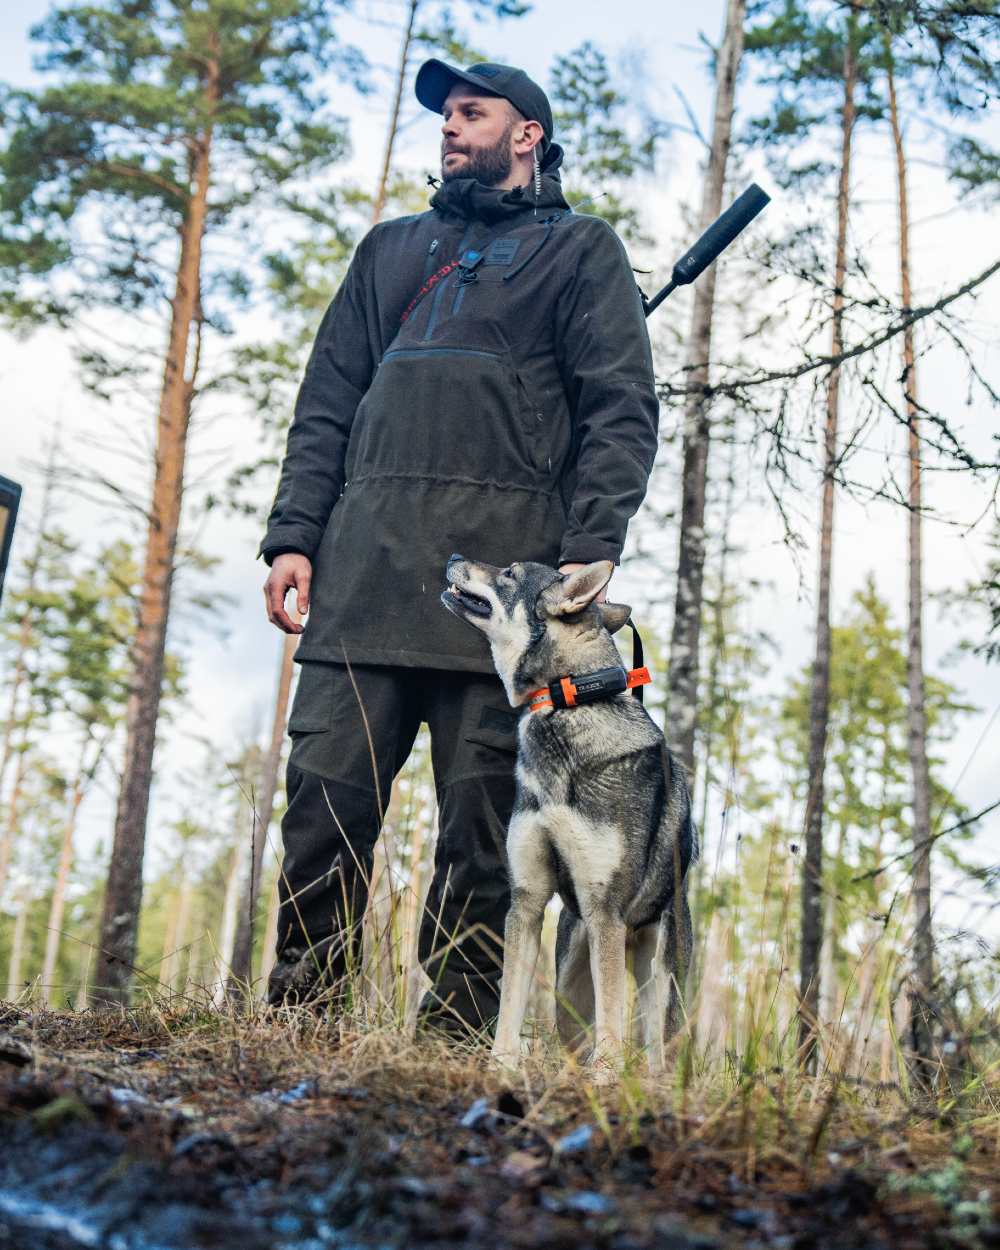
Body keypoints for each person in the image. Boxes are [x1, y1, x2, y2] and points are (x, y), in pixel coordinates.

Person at [260, 58, 659, 1035]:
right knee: (322, 808)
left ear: (526, 133)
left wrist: (590, 541)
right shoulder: (389, 252)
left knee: (482, 839)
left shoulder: (582, 254)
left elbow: (620, 410)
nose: (449, 126)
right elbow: (326, 407)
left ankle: (452, 1046)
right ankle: (300, 1024)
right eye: (445, 115)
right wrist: (294, 537)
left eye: (471, 112)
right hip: (362, 575)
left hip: (505, 601)